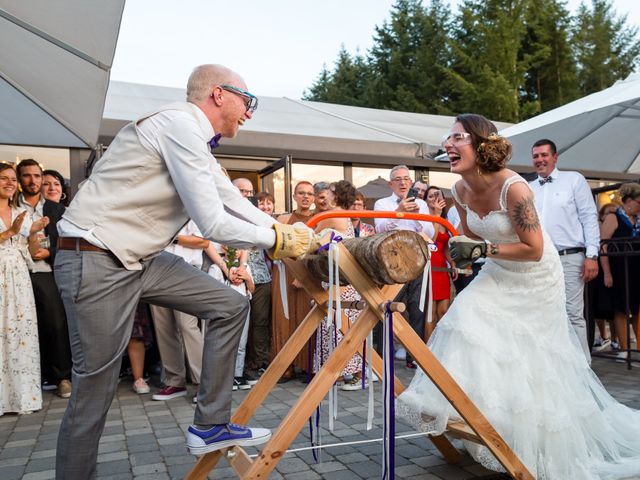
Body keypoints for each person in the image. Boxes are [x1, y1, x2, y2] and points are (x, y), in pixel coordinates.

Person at [53, 64, 323, 478]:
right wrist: (279, 241)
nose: (249, 113)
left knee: (230, 305)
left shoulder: (196, 140)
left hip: (139, 259)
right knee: (95, 390)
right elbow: (214, 221)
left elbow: (234, 202)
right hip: (94, 256)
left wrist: (284, 230)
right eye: (246, 102)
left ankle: (210, 424)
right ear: (218, 94)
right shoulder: (179, 124)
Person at [398, 113, 640, 479]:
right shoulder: (459, 190)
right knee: (464, 318)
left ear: (482, 146)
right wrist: (463, 251)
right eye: (447, 139)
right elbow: (471, 237)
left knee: (529, 353)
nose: (448, 144)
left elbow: (532, 247)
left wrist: (482, 251)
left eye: (457, 137)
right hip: (498, 270)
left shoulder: (515, 188)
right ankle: (484, 417)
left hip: (535, 274)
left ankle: (536, 434)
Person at [529, 139, 600, 363]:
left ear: (555, 157)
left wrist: (592, 255)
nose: (540, 160)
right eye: (536, 156)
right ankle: (556, 367)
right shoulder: (528, 189)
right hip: (540, 260)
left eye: (544, 155)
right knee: (544, 313)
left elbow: (589, 217)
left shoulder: (574, 180)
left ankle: (583, 369)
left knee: (572, 314)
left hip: (571, 257)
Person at [17, 159, 72, 398]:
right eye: (27, 176)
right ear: (20, 180)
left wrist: (50, 252)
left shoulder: (55, 209)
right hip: (16, 271)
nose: (33, 180)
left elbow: (67, 243)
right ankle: (30, 377)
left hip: (45, 271)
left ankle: (63, 377)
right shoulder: (9, 206)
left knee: (55, 323)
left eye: (37, 176)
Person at [0, 163, 48, 415]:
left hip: (18, 275)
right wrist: (11, 231)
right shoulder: (16, 220)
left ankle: (22, 398)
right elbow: (9, 236)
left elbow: (31, 252)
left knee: (20, 331)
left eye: (11, 179)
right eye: (3, 178)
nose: (9, 183)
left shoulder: (21, 212)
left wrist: (34, 234)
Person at [374, 165, 431, 368]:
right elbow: (378, 228)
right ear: (391, 183)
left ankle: (413, 357)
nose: (403, 182)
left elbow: (430, 231)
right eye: (398, 179)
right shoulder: (382, 203)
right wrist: (398, 212)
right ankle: (381, 357)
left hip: (416, 258)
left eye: (406, 179)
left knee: (417, 308)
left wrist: (415, 217)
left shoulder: (422, 204)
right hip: (391, 260)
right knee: (385, 308)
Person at [312, 180, 366, 390]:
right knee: (342, 325)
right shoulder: (345, 216)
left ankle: (340, 371)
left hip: (338, 278)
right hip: (345, 277)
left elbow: (312, 233)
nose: (327, 193)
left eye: (331, 191)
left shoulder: (333, 215)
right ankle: (347, 371)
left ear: (337, 195)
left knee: (336, 325)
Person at [149, 220, 205, 401]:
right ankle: (175, 382)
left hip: (186, 270)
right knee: (163, 328)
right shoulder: (155, 208)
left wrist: (171, 238)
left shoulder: (190, 205)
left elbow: (204, 241)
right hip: (156, 270)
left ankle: (203, 383)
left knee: (187, 326)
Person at [272, 181, 316, 380]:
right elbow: (273, 245)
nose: (305, 196)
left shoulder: (319, 219)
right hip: (286, 273)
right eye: (301, 193)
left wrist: (304, 275)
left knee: (309, 317)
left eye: (309, 193)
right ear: (294, 196)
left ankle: (308, 364)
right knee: (284, 318)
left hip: (310, 275)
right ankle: (285, 366)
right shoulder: (283, 218)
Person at [599, 183, 640, 361]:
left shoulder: (638, 219)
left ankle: (638, 346)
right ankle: (624, 349)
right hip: (619, 269)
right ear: (629, 201)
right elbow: (603, 245)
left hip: (637, 268)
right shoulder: (613, 218)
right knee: (621, 308)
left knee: (638, 308)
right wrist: (607, 273)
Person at [424, 186, 457, 337]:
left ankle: (439, 348)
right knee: (430, 313)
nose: (435, 199)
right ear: (425, 201)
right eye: (431, 196)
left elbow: (444, 246)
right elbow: (432, 240)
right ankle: (427, 353)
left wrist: (453, 263)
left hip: (442, 268)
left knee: (443, 311)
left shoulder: (445, 221)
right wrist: (436, 215)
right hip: (428, 268)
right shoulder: (424, 220)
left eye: (438, 196)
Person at [591, 203, 619, 352]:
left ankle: (615, 339)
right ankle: (603, 336)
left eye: (612, 212)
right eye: (606, 213)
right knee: (598, 306)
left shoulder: (616, 224)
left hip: (611, 267)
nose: (608, 216)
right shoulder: (594, 225)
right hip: (597, 266)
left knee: (612, 309)